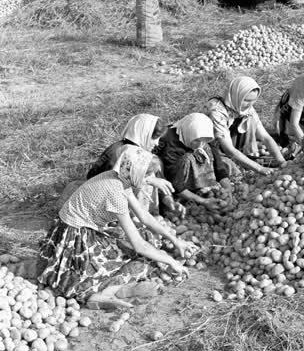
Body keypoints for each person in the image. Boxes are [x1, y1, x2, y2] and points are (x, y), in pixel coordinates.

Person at [38, 146, 191, 309]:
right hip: (75, 239)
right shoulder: (116, 192)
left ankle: (107, 287)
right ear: (135, 172)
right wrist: (171, 261)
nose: (151, 178)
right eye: (147, 174)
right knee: (144, 261)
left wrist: (175, 241)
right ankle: (102, 293)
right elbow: (139, 245)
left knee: (148, 238)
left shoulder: (120, 178)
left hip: (72, 229)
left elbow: (143, 216)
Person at [87, 114, 177, 214]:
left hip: (124, 198)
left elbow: (158, 176)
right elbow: (116, 184)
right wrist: (148, 181)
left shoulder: (143, 152)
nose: (156, 143)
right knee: (147, 182)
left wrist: (167, 198)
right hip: (106, 201)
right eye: (154, 138)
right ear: (143, 133)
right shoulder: (121, 153)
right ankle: (135, 218)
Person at [206, 75, 286, 175]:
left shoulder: (246, 109)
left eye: (253, 100)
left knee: (251, 119)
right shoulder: (216, 112)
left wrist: (281, 161)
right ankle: (237, 162)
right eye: (247, 100)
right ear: (236, 95)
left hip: (232, 143)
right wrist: (259, 168)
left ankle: (243, 158)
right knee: (227, 169)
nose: (250, 104)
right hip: (216, 148)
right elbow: (229, 149)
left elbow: (265, 137)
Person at [155, 113, 232, 212]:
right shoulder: (171, 145)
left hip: (180, 172)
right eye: (197, 141)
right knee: (188, 158)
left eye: (204, 141)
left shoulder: (204, 134)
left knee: (207, 150)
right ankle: (189, 190)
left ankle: (199, 185)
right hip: (168, 173)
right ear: (189, 133)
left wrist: (227, 187)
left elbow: (219, 164)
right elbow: (176, 184)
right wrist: (204, 201)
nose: (200, 144)